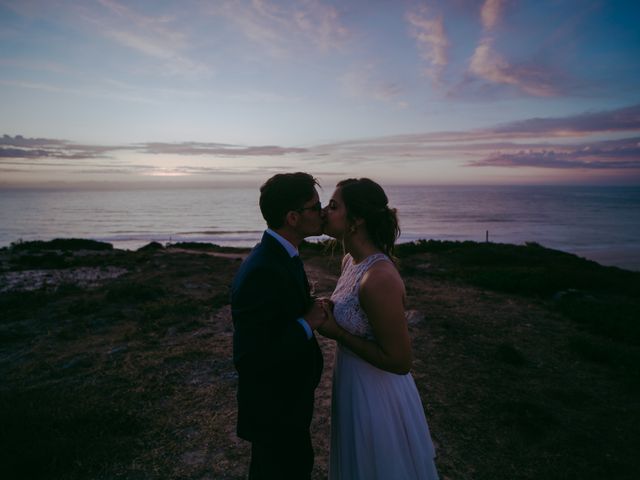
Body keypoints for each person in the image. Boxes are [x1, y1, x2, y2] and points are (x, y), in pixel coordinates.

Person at [318, 178, 439, 479]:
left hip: (376, 395)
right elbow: (355, 312)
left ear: (355, 221)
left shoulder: (379, 277)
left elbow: (400, 361)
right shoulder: (350, 261)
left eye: (333, 206)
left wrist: (338, 333)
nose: (324, 211)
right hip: (351, 382)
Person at [231, 172, 328, 479]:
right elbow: (250, 358)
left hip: (287, 407)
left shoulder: (282, 256)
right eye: (316, 207)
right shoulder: (264, 269)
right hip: (275, 412)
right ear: (293, 217)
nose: (323, 213)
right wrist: (306, 322)